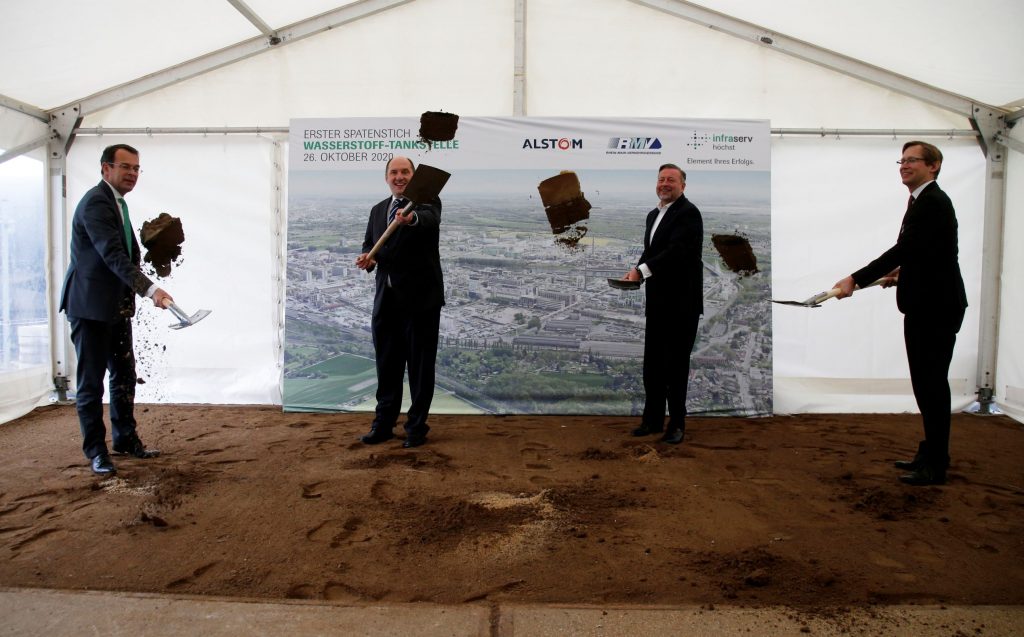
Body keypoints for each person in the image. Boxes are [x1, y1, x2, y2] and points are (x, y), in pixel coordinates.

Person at [833, 141, 967, 486]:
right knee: (926, 384)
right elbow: (929, 252)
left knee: (931, 385)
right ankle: (931, 451)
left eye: (912, 160)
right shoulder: (922, 200)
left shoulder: (932, 201)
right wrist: (903, 274)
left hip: (936, 307)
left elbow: (905, 248)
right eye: (902, 160)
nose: (904, 165)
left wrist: (855, 279)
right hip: (928, 302)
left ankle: (936, 463)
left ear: (933, 165)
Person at [60, 144, 173, 476]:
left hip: (116, 307)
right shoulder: (96, 203)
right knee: (91, 382)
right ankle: (96, 451)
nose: (132, 173)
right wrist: (150, 289)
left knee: (123, 375)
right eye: (126, 167)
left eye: (137, 168)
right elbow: (112, 255)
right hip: (90, 307)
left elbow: (126, 254)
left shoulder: (117, 204)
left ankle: (125, 439)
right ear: (105, 169)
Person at [354, 156, 444, 448]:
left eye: (405, 172)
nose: (399, 176)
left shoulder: (426, 202)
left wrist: (412, 219)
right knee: (387, 365)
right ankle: (383, 424)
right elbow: (371, 245)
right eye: (394, 172)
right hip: (387, 301)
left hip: (421, 302)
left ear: (414, 176)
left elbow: (429, 221)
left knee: (420, 367)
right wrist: (368, 259)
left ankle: (416, 428)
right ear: (386, 177)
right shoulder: (378, 210)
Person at [622, 163, 704, 444]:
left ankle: (677, 424)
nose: (664, 183)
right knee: (654, 365)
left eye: (671, 179)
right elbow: (651, 252)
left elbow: (677, 253)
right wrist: (636, 272)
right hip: (657, 301)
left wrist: (642, 271)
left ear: (683, 185)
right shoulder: (653, 215)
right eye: (661, 179)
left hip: (682, 304)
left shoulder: (689, 214)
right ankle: (653, 420)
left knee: (676, 366)